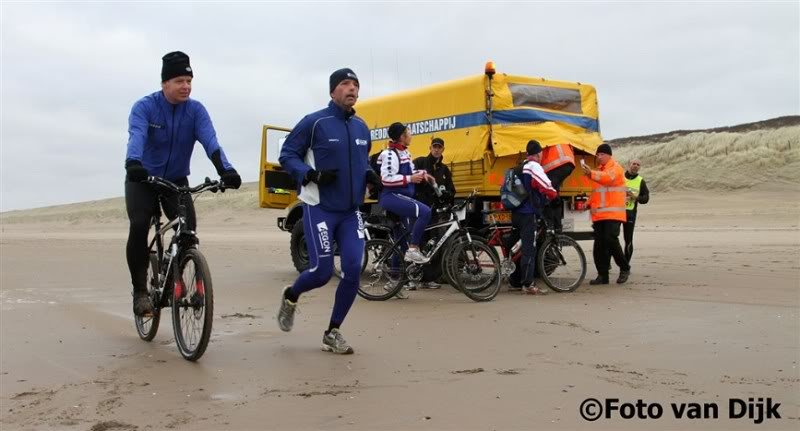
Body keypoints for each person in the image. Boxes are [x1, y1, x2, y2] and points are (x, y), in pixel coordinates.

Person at [125, 51, 241, 318]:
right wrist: (133, 162)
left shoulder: (196, 110)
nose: (186, 86)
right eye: (179, 80)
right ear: (165, 83)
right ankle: (141, 291)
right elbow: (137, 136)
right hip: (142, 178)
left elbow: (211, 141)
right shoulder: (145, 107)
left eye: (189, 80)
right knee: (140, 224)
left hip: (175, 180)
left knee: (188, 231)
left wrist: (226, 169)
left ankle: (182, 278)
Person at [276, 68, 381, 355]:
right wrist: (310, 175)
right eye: (345, 84)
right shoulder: (314, 122)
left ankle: (332, 332)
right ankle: (291, 295)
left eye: (355, 84)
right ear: (333, 91)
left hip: (350, 212)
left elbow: (363, 161)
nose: (352, 89)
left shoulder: (361, 126)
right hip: (319, 208)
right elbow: (287, 155)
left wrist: (370, 174)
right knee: (322, 272)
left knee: (352, 271)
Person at [378, 122, 435, 267]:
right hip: (391, 197)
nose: (411, 135)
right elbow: (386, 179)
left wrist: (424, 174)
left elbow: (410, 172)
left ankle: (396, 276)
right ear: (402, 136)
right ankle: (413, 249)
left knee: (403, 239)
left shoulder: (405, 152)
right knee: (425, 212)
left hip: (401, 197)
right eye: (409, 132)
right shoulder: (389, 154)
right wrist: (410, 179)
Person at [510, 140, 558, 295]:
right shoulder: (533, 166)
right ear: (538, 154)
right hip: (528, 213)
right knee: (528, 249)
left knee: (516, 247)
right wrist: (554, 195)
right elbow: (546, 186)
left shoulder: (519, 167)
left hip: (516, 212)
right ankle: (528, 284)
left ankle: (516, 280)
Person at [581, 143, 631, 285]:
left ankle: (624, 267)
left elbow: (607, 178)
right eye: (598, 155)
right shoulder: (599, 172)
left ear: (609, 155)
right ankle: (603, 275)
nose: (599, 157)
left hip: (613, 214)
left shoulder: (616, 168)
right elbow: (596, 192)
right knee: (599, 245)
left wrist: (591, 173)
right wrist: (588, 203)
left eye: (602, 154)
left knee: (610, 240)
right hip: (599, 215)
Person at [412, 137, 456, 289]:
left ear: (443, 149)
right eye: (434, 147)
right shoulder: (420, 162)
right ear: (430, 148)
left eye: (439, 147)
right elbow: (411, 182)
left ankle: (429, 278)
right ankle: (412, 276)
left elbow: (452, 191)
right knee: (418, 244)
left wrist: (446, 195)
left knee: (436, 244)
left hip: (436, 214)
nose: (437, 149)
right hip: (420, 211)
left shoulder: (444, 170)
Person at [541, 143, 575, 232]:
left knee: (547, 194)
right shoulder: (558, 134)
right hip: (568, 162)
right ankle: (557, 228)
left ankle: (550, 226)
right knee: (554, 194)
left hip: (556, 164)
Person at [624, 158, 650, 263]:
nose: (635, 166)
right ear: (629, 165)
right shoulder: (620, 178)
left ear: (640, 167)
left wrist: (636, 198)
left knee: (628, 240)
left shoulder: (640, 181)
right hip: (616, 212)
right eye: (633, 164)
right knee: (611, 239)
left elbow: (646, 198)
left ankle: (625, 266)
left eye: (638, 165)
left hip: (630, 214)